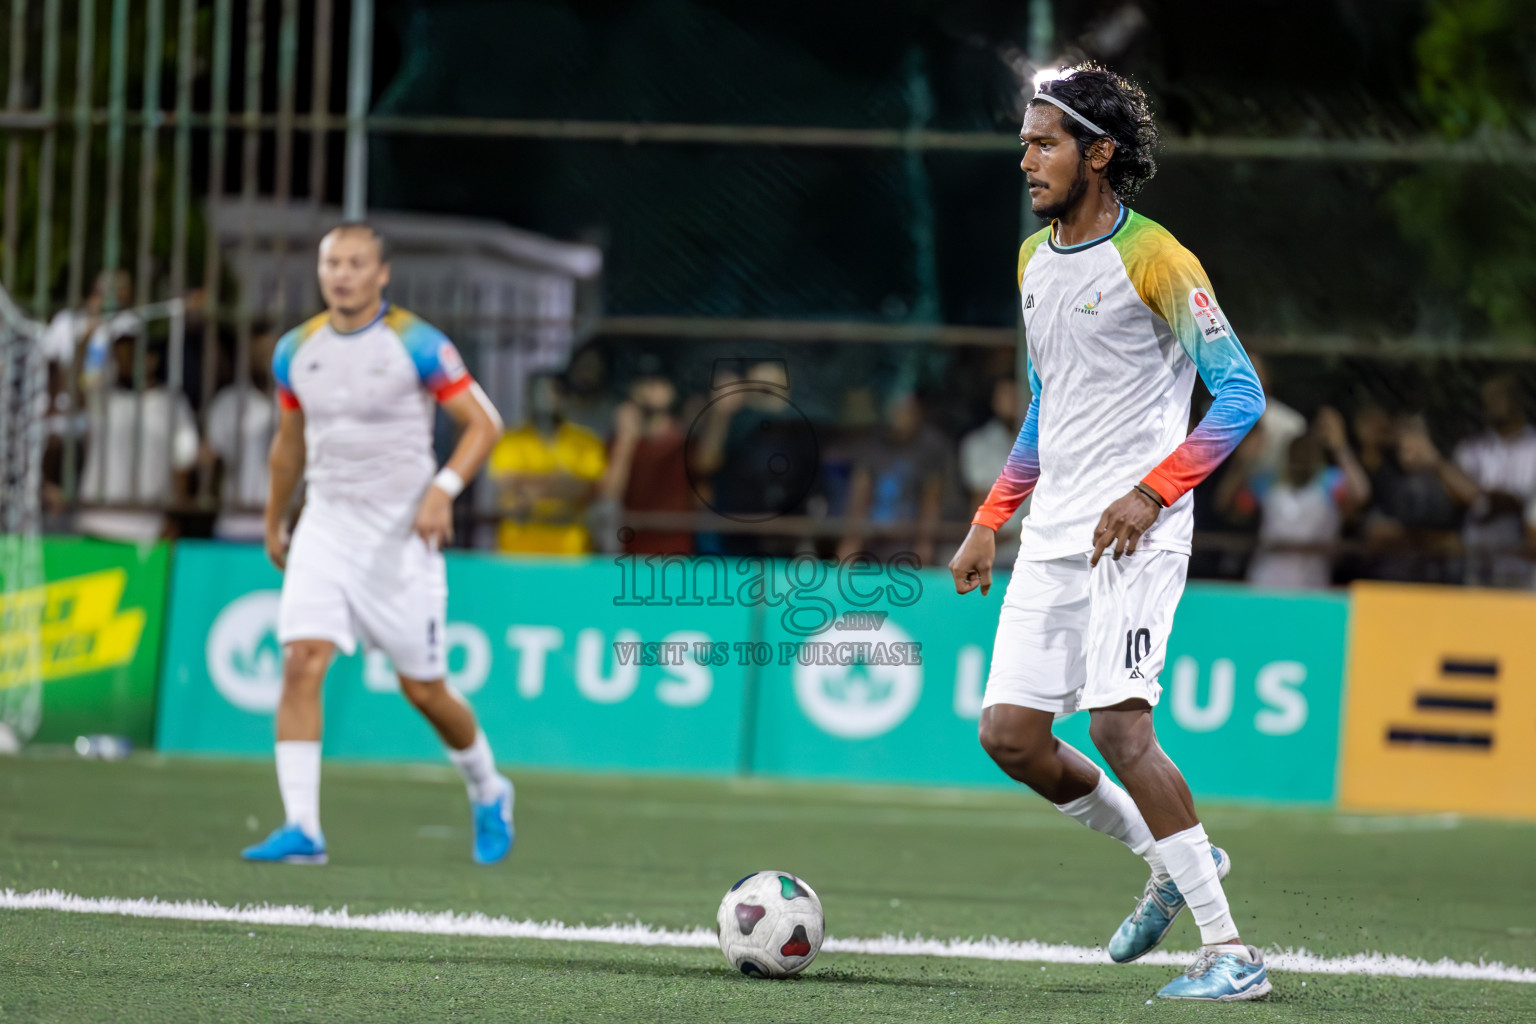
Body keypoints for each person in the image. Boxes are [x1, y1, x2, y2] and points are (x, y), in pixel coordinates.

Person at [946, 66, 1270, 1001]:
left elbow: (1240, 393)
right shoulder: (1032, 262)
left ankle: (1230, 952)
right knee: (1009, 735)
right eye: (1023, 143)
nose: (1026, 160)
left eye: (1044, 143)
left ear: (1100, 153)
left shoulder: (1158, 259)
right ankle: (1169, 856)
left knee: (1120, 724)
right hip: (1052, 535)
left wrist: (1152, 493)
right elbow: (1048, 406)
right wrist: (988, 521)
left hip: (1138, 533)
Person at [243, 222, 512, 866]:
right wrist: (275, 517)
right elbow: (289, 444)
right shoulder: (295, 350)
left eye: (356, 262)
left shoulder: (416, 342)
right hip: (326, 528)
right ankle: (302, 828)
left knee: (423, 690)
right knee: (302, 660)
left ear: (381, 274)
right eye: (332, 261)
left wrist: (443, 488)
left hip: (400, 537)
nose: (342, 273)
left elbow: (485, 423)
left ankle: (487, 787)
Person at [1220, 408, 1371, 590]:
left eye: (1308, 453)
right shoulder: (1269, 482)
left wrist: (1340, 447)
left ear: (1318, 457)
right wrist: (1242, 462)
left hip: (1312, 583)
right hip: (1264, 580)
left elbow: (1361, 494)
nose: (1302, 459)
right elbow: (1226, 506)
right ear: (1288, 454)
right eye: (1297, 452)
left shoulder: (1330, 482)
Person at [74, 332, 199, 543]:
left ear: (152, 359)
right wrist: (88, 337)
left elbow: (183, 461)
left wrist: (174, 517)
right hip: (96, 524)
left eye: (132, 354)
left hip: (148, 528)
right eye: (119, 355)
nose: (125, 361)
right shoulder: (104, 398)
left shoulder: (172, 402)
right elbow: (81, 379)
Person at [487, 372, 607, 554]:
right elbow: (507, 489)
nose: (543, 398)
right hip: (517, 548)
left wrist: (528, 485)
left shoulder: (586, 441)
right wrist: (560, 484)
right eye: (536, 392)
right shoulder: (510, 440)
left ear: (564, 398)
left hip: (571, 549)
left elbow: (586, 489)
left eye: (551, 392)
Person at [838, 391, 953, 566]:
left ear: (918, 413)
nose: (901, 416)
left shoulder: (930, 448)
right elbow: (860, 496)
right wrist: (851, 542)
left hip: (909, 539)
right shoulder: (873, 446)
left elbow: (931, 500)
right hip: (873, 539)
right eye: (896, 410)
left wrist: (924, 543)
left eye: (907, 411)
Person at [1449, 374, 1536, 587]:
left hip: (1525, 564)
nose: (1491, 403)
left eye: (1499, 396)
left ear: (1518, 399)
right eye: (1487, 397)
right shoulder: (1471, 449)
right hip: (1480, 561)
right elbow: (1468, 499)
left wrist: (1500, 502)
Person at [600, 370, 696, 555]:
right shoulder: (620, 441)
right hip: (631, 548)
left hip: (676, 549)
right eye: (643, 382)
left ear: (672, 391)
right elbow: (608, 493)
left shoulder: (686, 441)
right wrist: (625, 440)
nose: (648, 390)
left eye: (657, 383)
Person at [204, 324, 280, 542]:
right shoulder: (227, 402)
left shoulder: (298, 402)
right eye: (258, 349)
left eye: (270, 349)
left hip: (284, 526)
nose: (263, 356)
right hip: (234, 526)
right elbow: (210, 461)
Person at [960, 377, 1026, 566]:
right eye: (1006, 394)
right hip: (998, 548)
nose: (1013, 401)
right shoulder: (977, 443)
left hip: (1040, 544)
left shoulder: (1046, 439)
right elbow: (979, 499)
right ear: (994, 400)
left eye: (1017, 393)